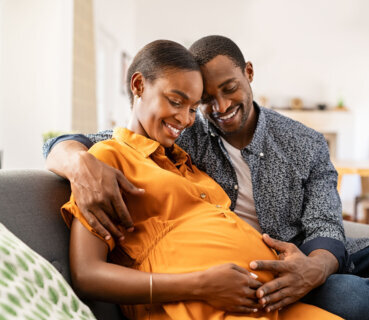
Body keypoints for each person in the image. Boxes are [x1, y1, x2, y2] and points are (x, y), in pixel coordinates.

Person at [44, 36, 369, 319]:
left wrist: (313, 267)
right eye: (202, 100)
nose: (216, 108)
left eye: (228, 88)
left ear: (249, 74)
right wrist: (76, 161)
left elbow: (326, 225)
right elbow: (103, 142)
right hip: (265, 272)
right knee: (358, 303)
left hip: (317, 253)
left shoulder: (304, 142)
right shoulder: (184, 132)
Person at [62, 39, 340, 320]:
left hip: (270, 301)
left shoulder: (185, 161)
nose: (185, 119)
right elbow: (86, 274)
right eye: (175, 101)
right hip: (200, 307)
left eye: (194, 108)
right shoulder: (104, 162)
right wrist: (201, 285)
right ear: (138, 86)